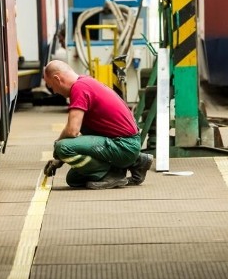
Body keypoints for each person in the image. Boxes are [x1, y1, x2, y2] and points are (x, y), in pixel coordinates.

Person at [42, 60, 153, 189]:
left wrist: (57, 152)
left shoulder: (79, 89)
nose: (55, 92)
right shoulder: (85, 82)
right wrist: (59, 160)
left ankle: (112, 175)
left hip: (124, 145)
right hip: (123, 143)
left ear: (57, 79)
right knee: (74, 179)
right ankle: (137, 162)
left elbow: (72, 130)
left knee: (63, 147)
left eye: (52, 86)